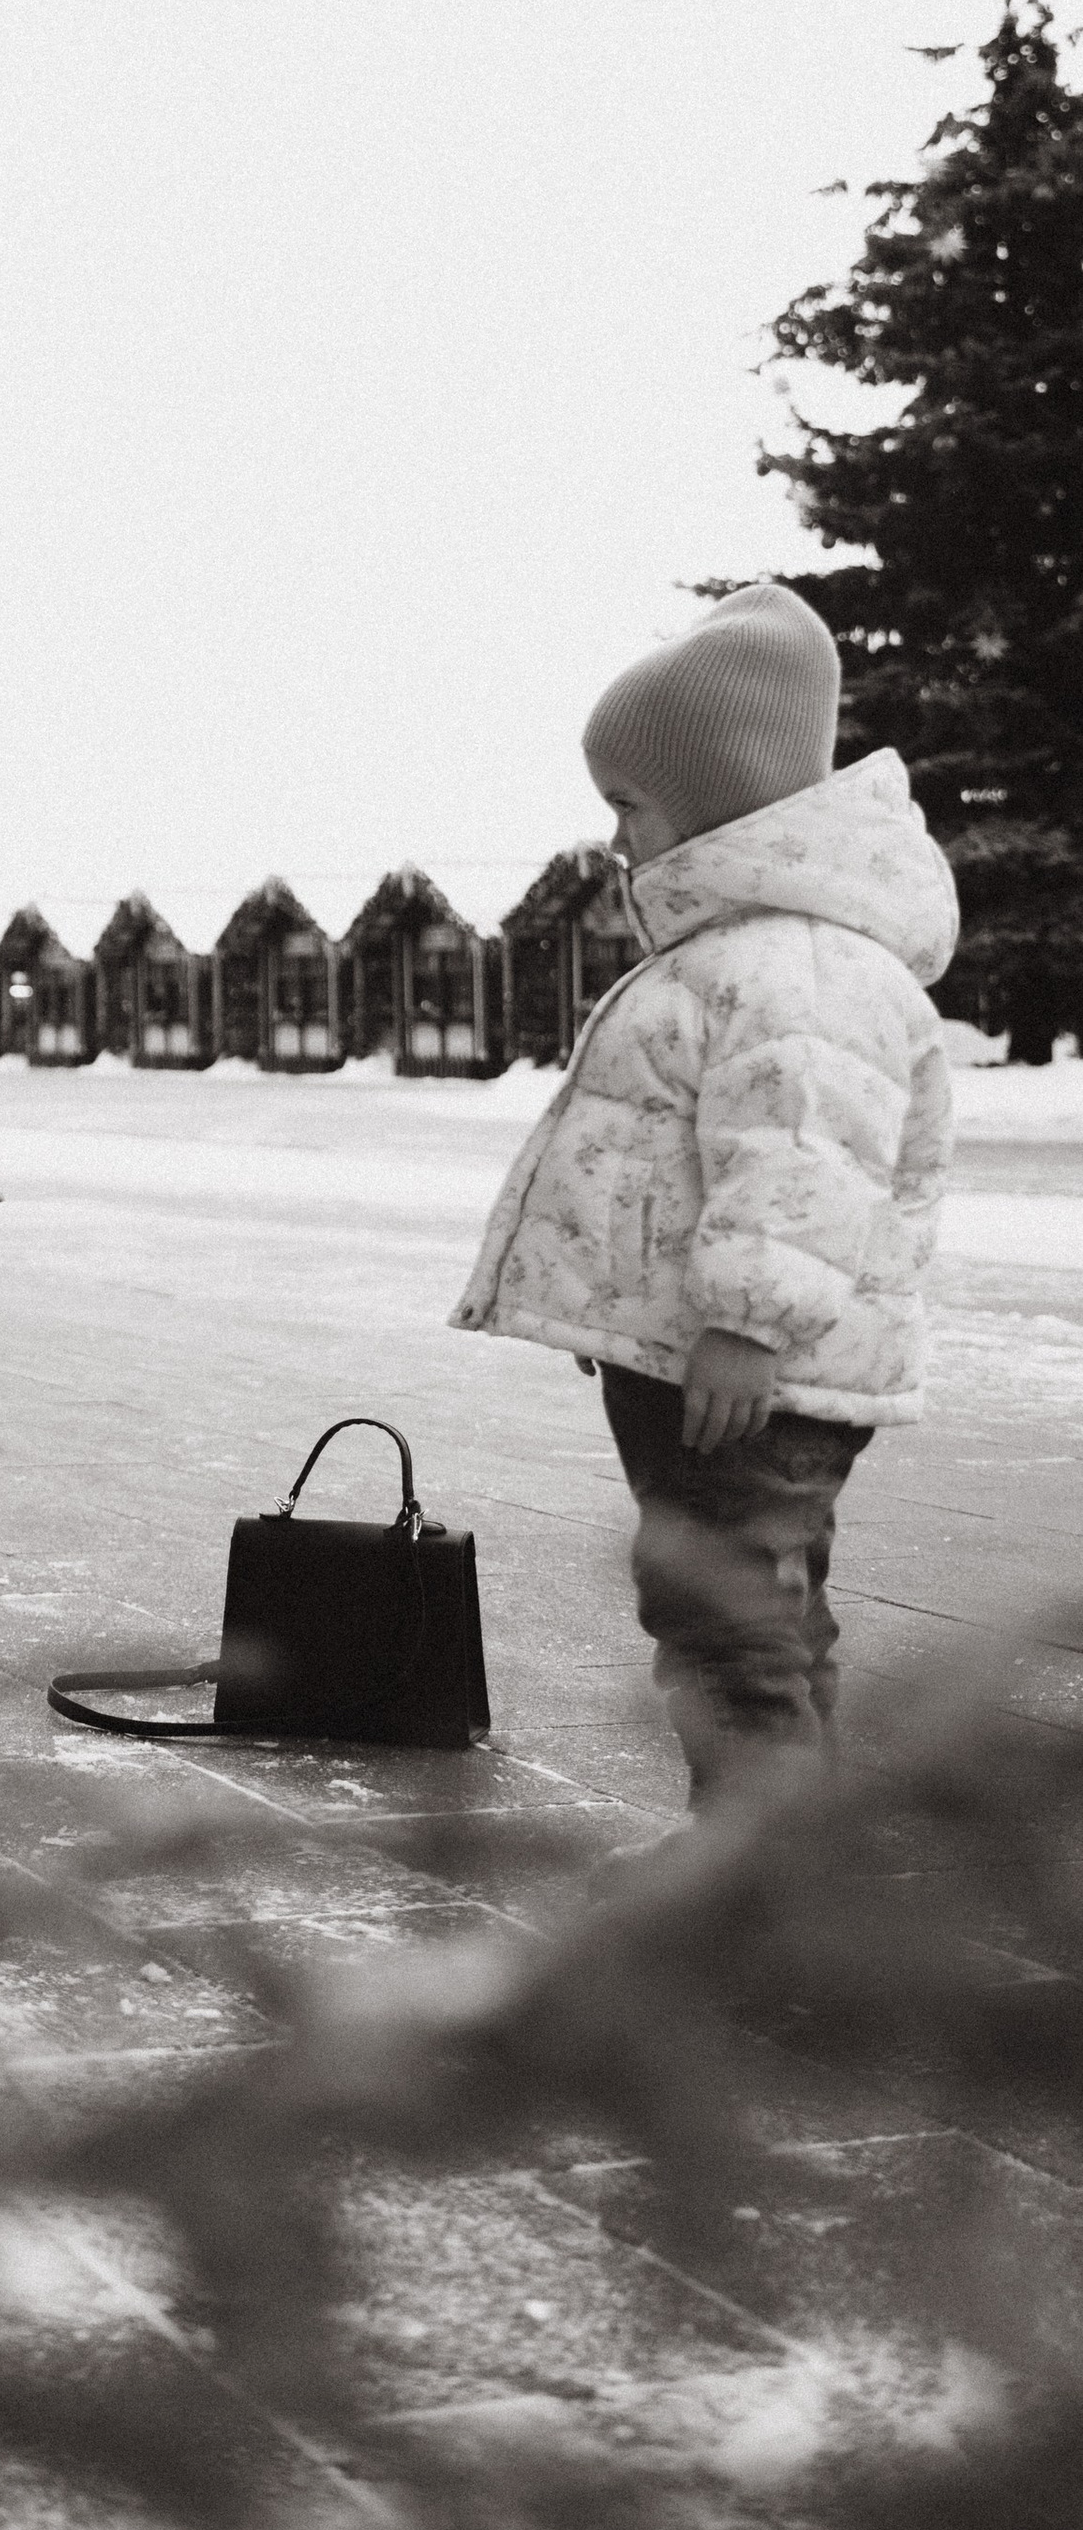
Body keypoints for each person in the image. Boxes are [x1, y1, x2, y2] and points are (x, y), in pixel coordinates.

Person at [452, 582, 956, 1808]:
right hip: (707, 1359)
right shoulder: (747, 950)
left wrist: (743, 1323)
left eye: (629, 804)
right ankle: (772, 1863)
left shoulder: (798, 964)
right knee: (756, 1614)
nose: (616, 839)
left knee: (726, 1624)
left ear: (719, 797)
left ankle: (753, 1888)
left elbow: (802, 1162)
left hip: (745, 1372)